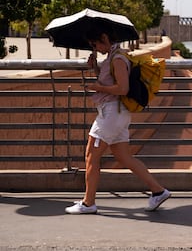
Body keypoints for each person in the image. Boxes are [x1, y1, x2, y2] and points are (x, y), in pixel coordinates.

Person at [65, 25, 170, 214]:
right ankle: (158, 191)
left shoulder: (118, 58)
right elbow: (110, 82)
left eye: (95, 43)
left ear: (104, 37)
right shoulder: (113, 57)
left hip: (111, 114)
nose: (95, 47)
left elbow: (122, 89)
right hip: (117, 114)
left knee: (91, 156)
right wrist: (96, 68)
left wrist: (97, 87)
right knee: (124, 157)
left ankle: (88, 203)